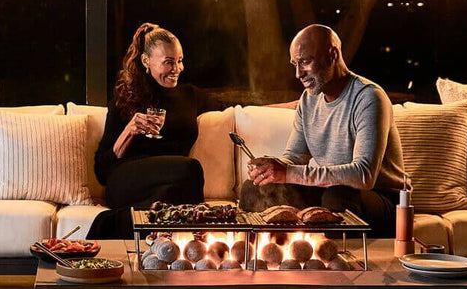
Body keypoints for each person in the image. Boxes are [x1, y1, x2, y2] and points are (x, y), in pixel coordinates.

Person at [242, 24, 409, 236]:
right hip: (328, 191)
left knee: (338, 196)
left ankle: (337, 265)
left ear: (332, 54)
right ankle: (281, 256)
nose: (298, 73)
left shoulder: (369, 97)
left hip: (383, 201)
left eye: (304, 62)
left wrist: (289, 173)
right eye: (295, 64)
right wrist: (271, 169)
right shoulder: (308, 100)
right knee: (254, 188)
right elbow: (294, 157)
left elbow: (363, 175)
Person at [86, 23, 222, 238]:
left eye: (179, 61)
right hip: (126, 180)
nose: (176, 69)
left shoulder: (190, 96)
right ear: (146, 61)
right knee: (191, 169)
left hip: (169, 186)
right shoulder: (127, 97)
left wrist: (295, 104)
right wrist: (129, 130)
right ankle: (196, 241)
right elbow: (102, 170)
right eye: (168, 62)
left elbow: (238, 106)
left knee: (172, 195)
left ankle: (115, 224)